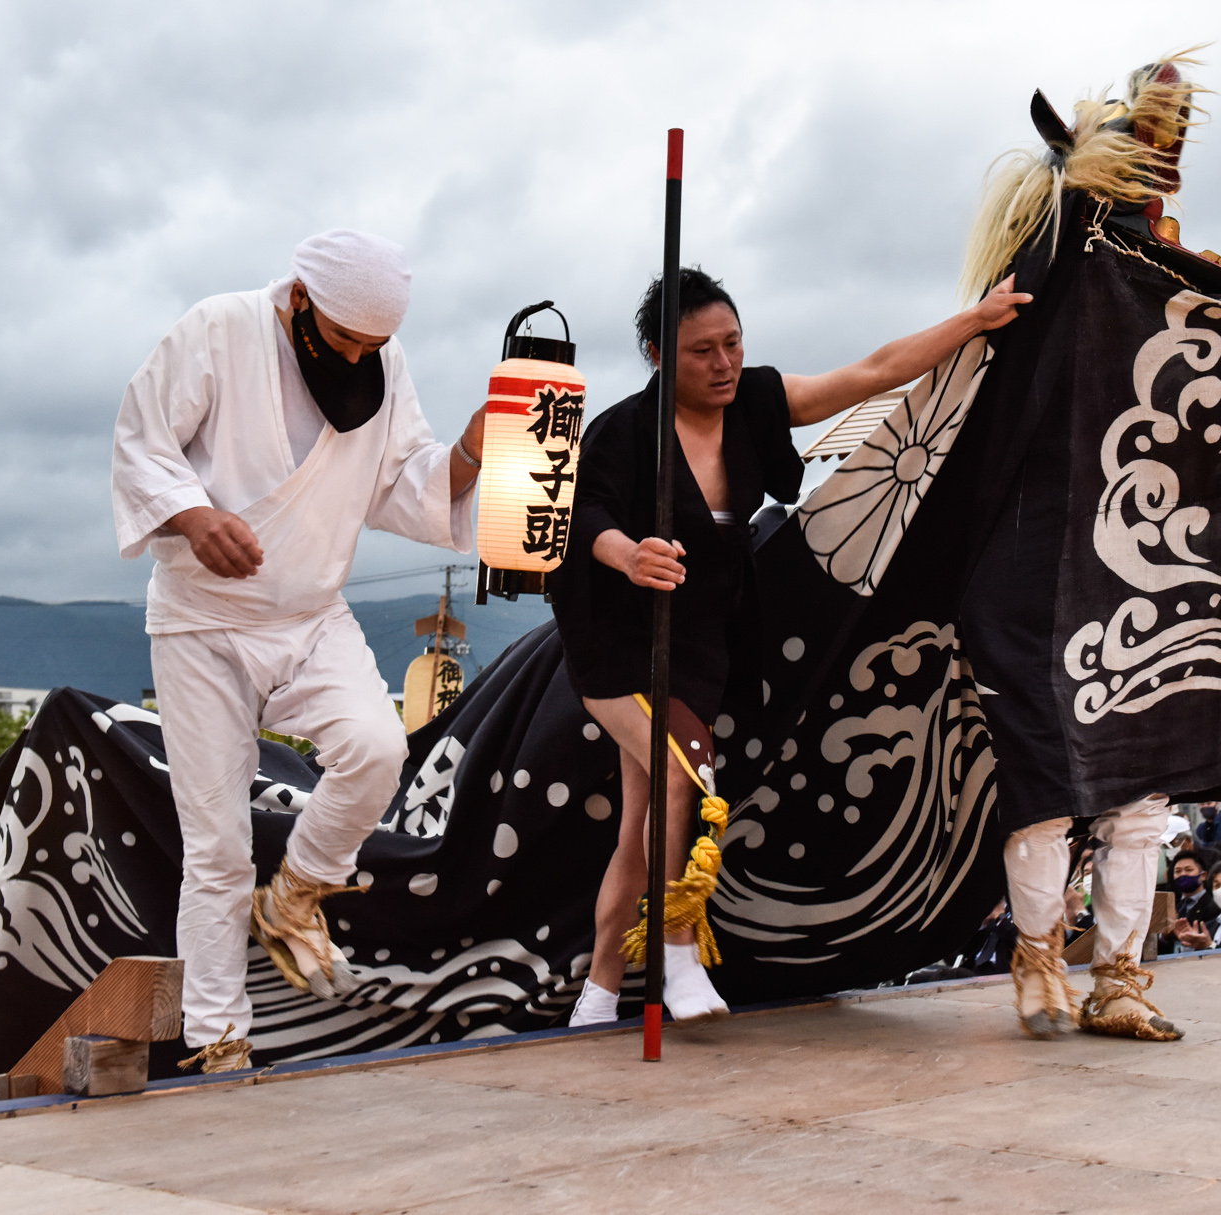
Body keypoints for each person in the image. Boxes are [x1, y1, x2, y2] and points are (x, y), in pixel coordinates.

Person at [551, 264, 1029, 1026]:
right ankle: (676, 955)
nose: (723, 364)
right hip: (616, 638)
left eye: (732, 343)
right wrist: (627, 552)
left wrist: (974, 320)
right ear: (656, 355)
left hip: (700, 638)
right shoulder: (621, 431)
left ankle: (599, 989)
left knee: (640, 818)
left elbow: (871, 372)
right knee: (683, 779)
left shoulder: (758, 403)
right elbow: (584, 519)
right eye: (701, 350)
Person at [112, 228, 485, 1073]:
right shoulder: (221, 329)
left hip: (312, 612)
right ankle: (218, 1038)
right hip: (201, 619)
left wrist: (466, 451)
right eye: (347, 339)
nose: (359, 356)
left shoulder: (381, 368)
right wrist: (192, 517)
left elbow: (404, 485)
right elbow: (143, 440)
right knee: (216, 846)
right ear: (302, 299)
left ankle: (298, 893)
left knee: (378, 743)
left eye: (375, 345)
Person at [968, 54, 1221, 1043]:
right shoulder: (1053, 248)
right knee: (1045, 780)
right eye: (1145, 142)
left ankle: (1121, 975)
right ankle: (1036, 955)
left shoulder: (1180, 278)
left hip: (1136, 552)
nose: (1160, 158)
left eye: (1170, 147)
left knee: (1138, 785)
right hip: (1024, 554)